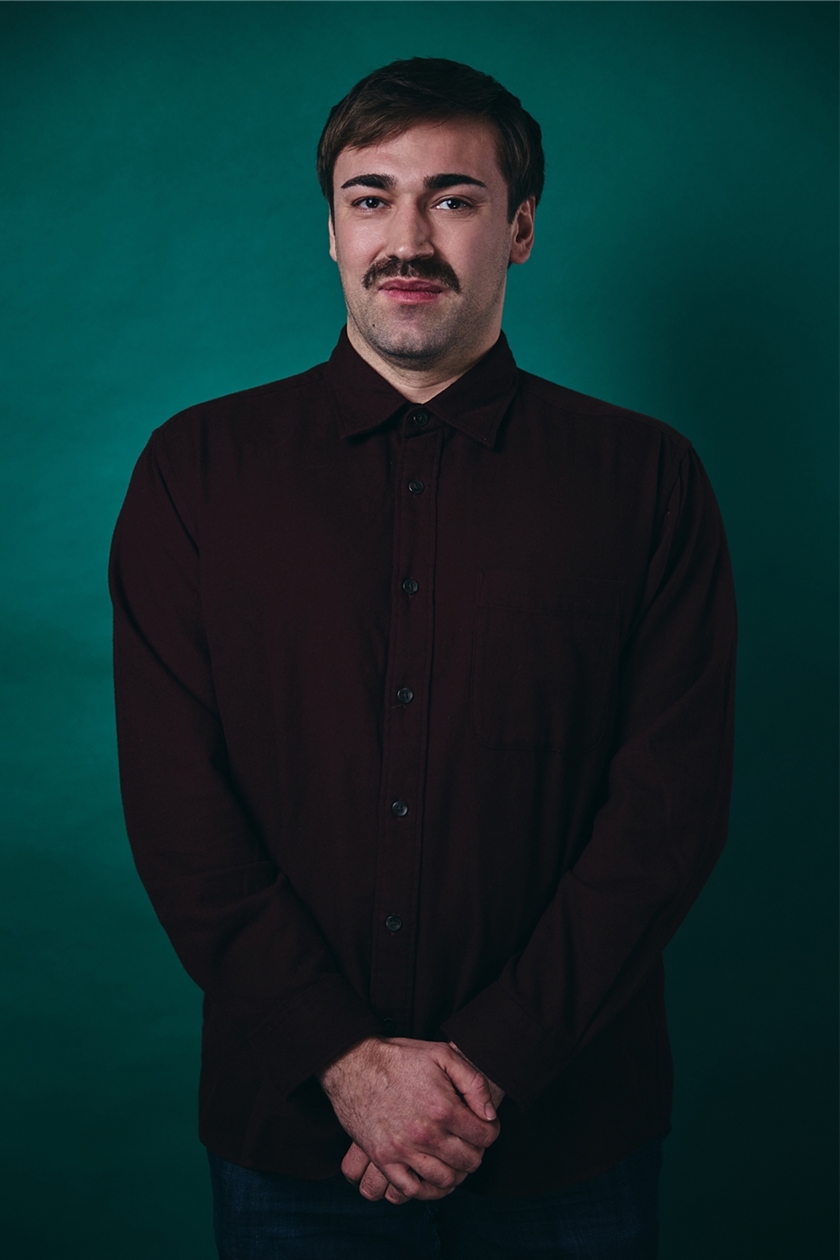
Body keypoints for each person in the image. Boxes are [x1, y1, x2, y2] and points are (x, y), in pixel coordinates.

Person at [109, 57, 736, 1259]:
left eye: (453, 198)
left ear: (522, 228)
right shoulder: (194, 472)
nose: (407, 239)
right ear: (331, 231)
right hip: (292, 1136)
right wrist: (344, 1064)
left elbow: (668, 813)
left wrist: (485, 1069)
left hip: (570, 1136)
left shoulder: (649, 481)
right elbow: (180, 810)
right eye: (371, 198)